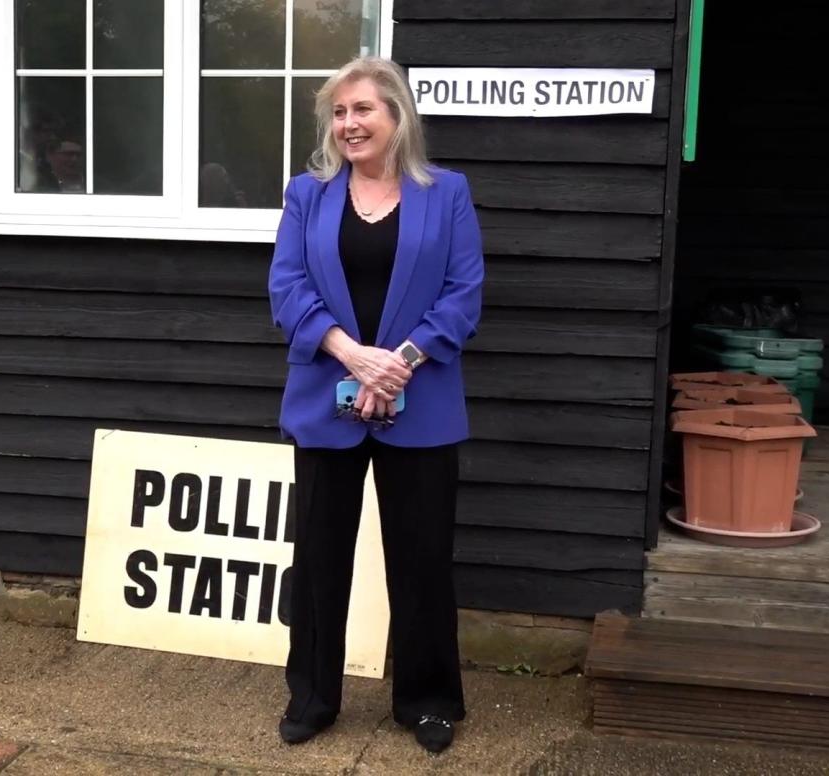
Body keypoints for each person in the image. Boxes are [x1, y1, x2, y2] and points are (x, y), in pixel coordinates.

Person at [267, 55, 484, 755]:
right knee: (321, 554)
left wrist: (398, 366)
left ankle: (427, 699)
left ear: (397, 116)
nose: (349, 124)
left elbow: (462, 294)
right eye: (338, 112)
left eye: (363, 109)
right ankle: (314, 698)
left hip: (419, 403)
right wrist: (350, 354)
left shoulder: (446, 193)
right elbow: (287, 286)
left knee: (422, 558)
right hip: (327, 398)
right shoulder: (308, 194)